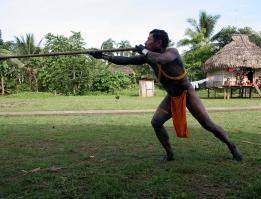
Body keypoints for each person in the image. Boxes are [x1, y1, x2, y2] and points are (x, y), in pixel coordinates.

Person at [89, 29, 242, 161]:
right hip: (171, 96)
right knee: (156, 122)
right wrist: (103, 56)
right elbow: (127, 60)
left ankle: (232, 146)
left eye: (149, 39)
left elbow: (161, 59)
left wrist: (143, 50)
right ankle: (169, 154)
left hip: (186, 92)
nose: (146, 41)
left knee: (207, 124)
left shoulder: (172, 52)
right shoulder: (148, 56)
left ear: (158, 42)